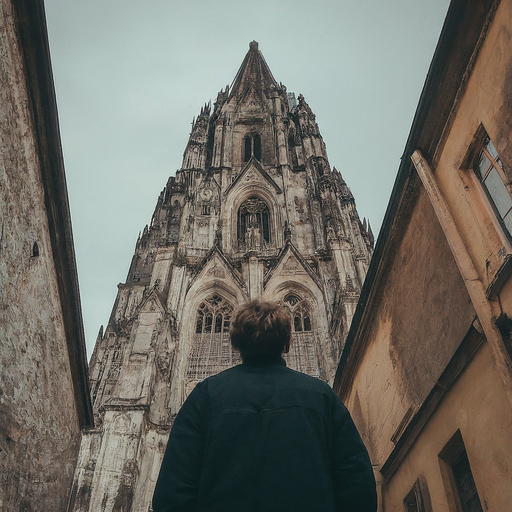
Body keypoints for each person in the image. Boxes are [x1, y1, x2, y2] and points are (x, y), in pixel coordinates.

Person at [152, 300, 377, 512]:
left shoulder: (206, 395)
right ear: (288, 342)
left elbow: (174, 488)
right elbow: (356, 479)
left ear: (234, 343)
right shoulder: (321, 395)